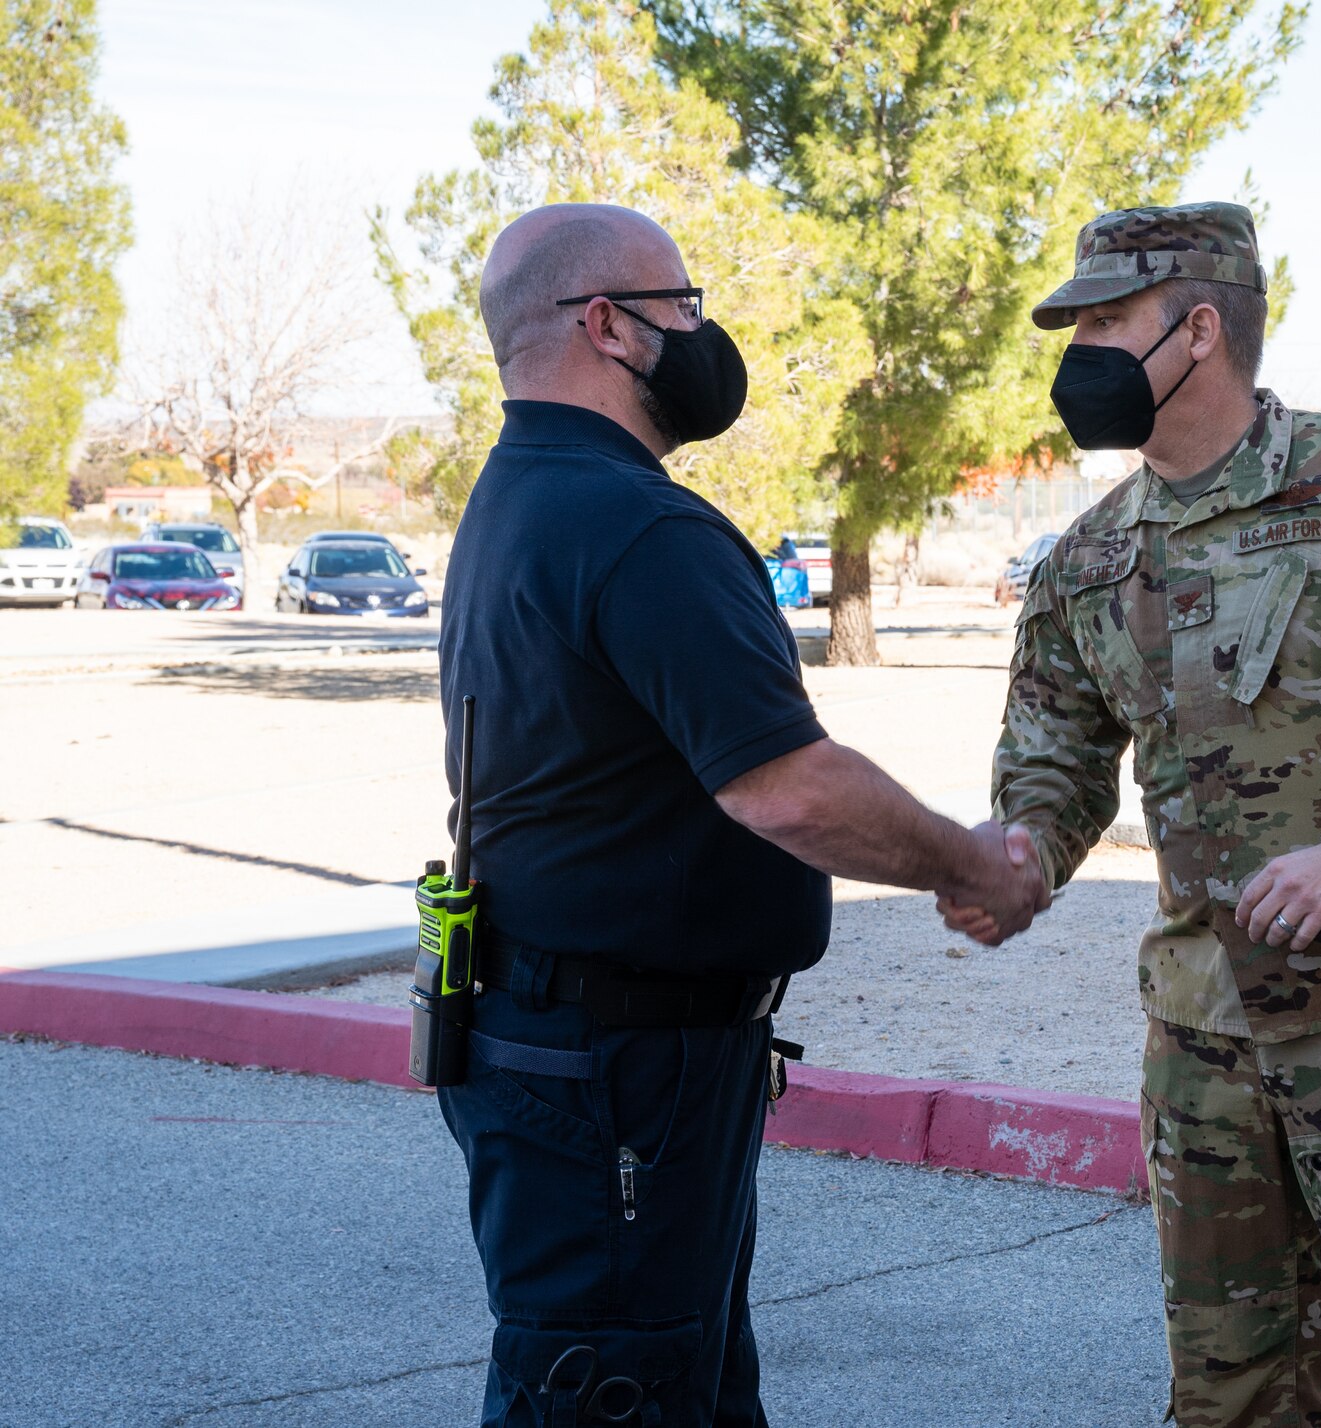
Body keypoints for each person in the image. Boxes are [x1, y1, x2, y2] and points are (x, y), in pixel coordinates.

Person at [944, 203, 1321, 1428]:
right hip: (1199, 1040)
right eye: (1073, 328)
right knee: (1230, 1396)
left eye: (1106, 323)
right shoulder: (1085, 559)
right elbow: (1055, 760)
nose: (1078, 355)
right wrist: (1016, 857)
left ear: (1199, 329)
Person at [436, 202, 1047, 1427]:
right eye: (684, 309)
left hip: (583, 1038)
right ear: (604, 325)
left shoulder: (520, 493)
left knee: (685, 1384)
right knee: (610, 1392)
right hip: (614, 1066)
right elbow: (788, 786)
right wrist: (968, 861)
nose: (702, 337)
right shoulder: (637, 525)